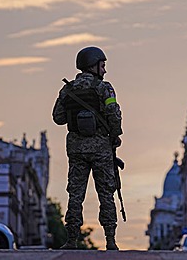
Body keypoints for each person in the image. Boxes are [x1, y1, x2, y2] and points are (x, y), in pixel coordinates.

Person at [52, 46, 123, 250]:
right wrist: (115, 135)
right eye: (103, 65)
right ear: (93, 65)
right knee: (106, 193)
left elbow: (58, 118)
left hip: (76, 150)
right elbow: (113, 113)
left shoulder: (68, 89)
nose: (105, 70)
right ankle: (110, 240)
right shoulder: (104, 88)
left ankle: (71, 240)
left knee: (75, 194)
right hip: (101, 149)